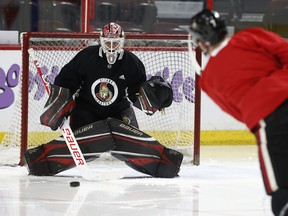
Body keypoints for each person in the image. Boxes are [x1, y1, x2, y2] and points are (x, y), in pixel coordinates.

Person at [24, 22, 183, 178]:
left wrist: (152, 100)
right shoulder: (87, 56)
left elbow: (135, 93)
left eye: (115, 42)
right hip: (86, 110)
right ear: (101, 40)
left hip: (118, 110)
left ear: (122, 41)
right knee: (84, 147)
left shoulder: (132, 63)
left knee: (129, 141)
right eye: (108, 42)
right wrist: (59, 103)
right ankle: (41, 160)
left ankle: (164, 163)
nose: (111, 46)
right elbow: (67, 80)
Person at [189, 9, 288, 216]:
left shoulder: (207, 80)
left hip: (269, 121)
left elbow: (239, 113)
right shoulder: (251, 35)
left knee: (282, 192)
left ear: (202, 40)